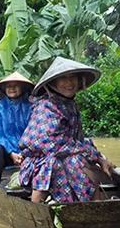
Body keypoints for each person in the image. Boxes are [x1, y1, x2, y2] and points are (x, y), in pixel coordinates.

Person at [18, 57, 114, 203]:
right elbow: (49, 143)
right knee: (55, 163)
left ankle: (96, 206)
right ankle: (35, 208)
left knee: (80, 161)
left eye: (72, 78)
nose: (69, 83)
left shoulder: (70, 104)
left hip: (65, 155)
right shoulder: (46, 106)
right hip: (39, 161)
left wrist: (98, 157)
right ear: (54, 83)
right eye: (63, 78)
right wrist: (96, 157)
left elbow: (78, 140)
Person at [0, 72, 34, 183]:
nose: (12, 88)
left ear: (22, 88)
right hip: (6, 153)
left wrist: (23, 153)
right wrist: (12, 153)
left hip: (27, 152)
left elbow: (33, 133)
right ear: (4, 89)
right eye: (8, 86)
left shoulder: (31, 108)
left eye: (15, 85)